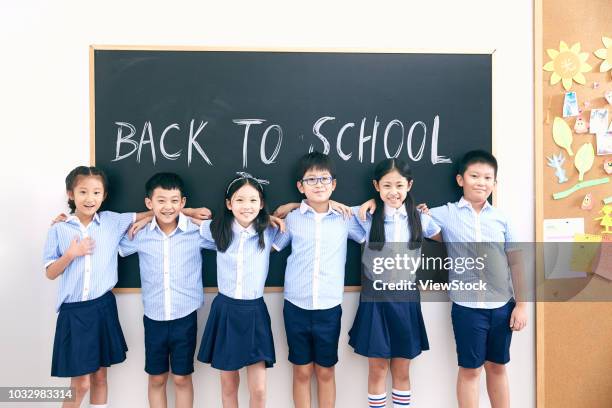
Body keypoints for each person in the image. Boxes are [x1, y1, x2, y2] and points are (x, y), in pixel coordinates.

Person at [43, 166, 152, 408]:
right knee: (80, 383)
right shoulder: (59, 229)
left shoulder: (112, 221)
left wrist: (192, 211)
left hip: (102, 307)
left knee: (101, 377)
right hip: (74, 313)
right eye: (83, 192)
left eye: (96, 192)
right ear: (70, 194)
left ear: (104, 196)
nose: (89, 198)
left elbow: (155, 211)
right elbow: (50, 273)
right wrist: (71, 254)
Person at [272, 152, 366, 408]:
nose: (319, 184)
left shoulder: (345, 218)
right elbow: (271, 245)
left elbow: (374, 225)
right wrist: (289, 207)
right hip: (296, 306)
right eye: (311, 180)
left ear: (334, 184)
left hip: (328, 307)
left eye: (324, 179)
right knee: (301, 372)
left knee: (325, 371)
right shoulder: (292, 219)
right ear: (300, 186)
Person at [349, 158, 441, 408]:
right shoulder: (366, 217)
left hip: (406, 299)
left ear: (409, 185)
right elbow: (329, 212)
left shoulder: (420, 220)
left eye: (399, 185)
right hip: (375, 300)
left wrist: (430, 212)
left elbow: (446, 235)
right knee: (377, 369)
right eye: (387, 185)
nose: (394, 192)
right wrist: (296, 204)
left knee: (401, 370)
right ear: (376, 186)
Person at [195, 172, 281, 408]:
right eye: (240, 200)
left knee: (259, 389)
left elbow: (303, 213)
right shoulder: (215, 229)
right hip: (226, 310)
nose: (247, 206)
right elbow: (174, 218)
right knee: (229, 386)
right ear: (229, 204)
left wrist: (284, 211)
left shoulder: (271, 230)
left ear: (261, 204)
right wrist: (190, 212)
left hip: (254, 310)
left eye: (253, 200)